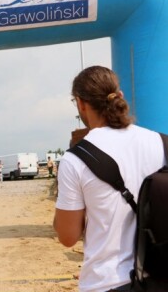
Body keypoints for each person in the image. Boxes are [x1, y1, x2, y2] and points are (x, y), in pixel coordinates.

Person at [53, 66, 166, 292]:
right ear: (120, 96)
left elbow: (67, 237)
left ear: (80, 103)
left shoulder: (76, 159)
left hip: (108, 281)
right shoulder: (162, 143)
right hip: (159, 277)